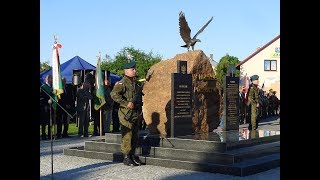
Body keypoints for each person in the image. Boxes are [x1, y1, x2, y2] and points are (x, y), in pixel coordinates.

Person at [110, 61, 142, 166]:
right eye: (133, 69)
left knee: (135, 135)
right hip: (125, 113)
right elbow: (114, 95)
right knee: (127, 135)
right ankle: (126, 157)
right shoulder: (122, 83)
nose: (135, 70)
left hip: (135, 112)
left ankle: (132, 155)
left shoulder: (135, 83)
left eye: (134, 69)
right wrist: (126, 103)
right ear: (126, 71)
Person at [40, 75, 54, 140]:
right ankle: (43, 135)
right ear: (46, 79)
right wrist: (45, 105)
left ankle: (49, 134)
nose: (49, 79)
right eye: (48, 78)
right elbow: (41, 98)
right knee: (44, 122)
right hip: (45, 107)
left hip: (52, 106)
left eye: (50, 78)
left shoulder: (53, 87)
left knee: (50, 122)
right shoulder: (43, 87)